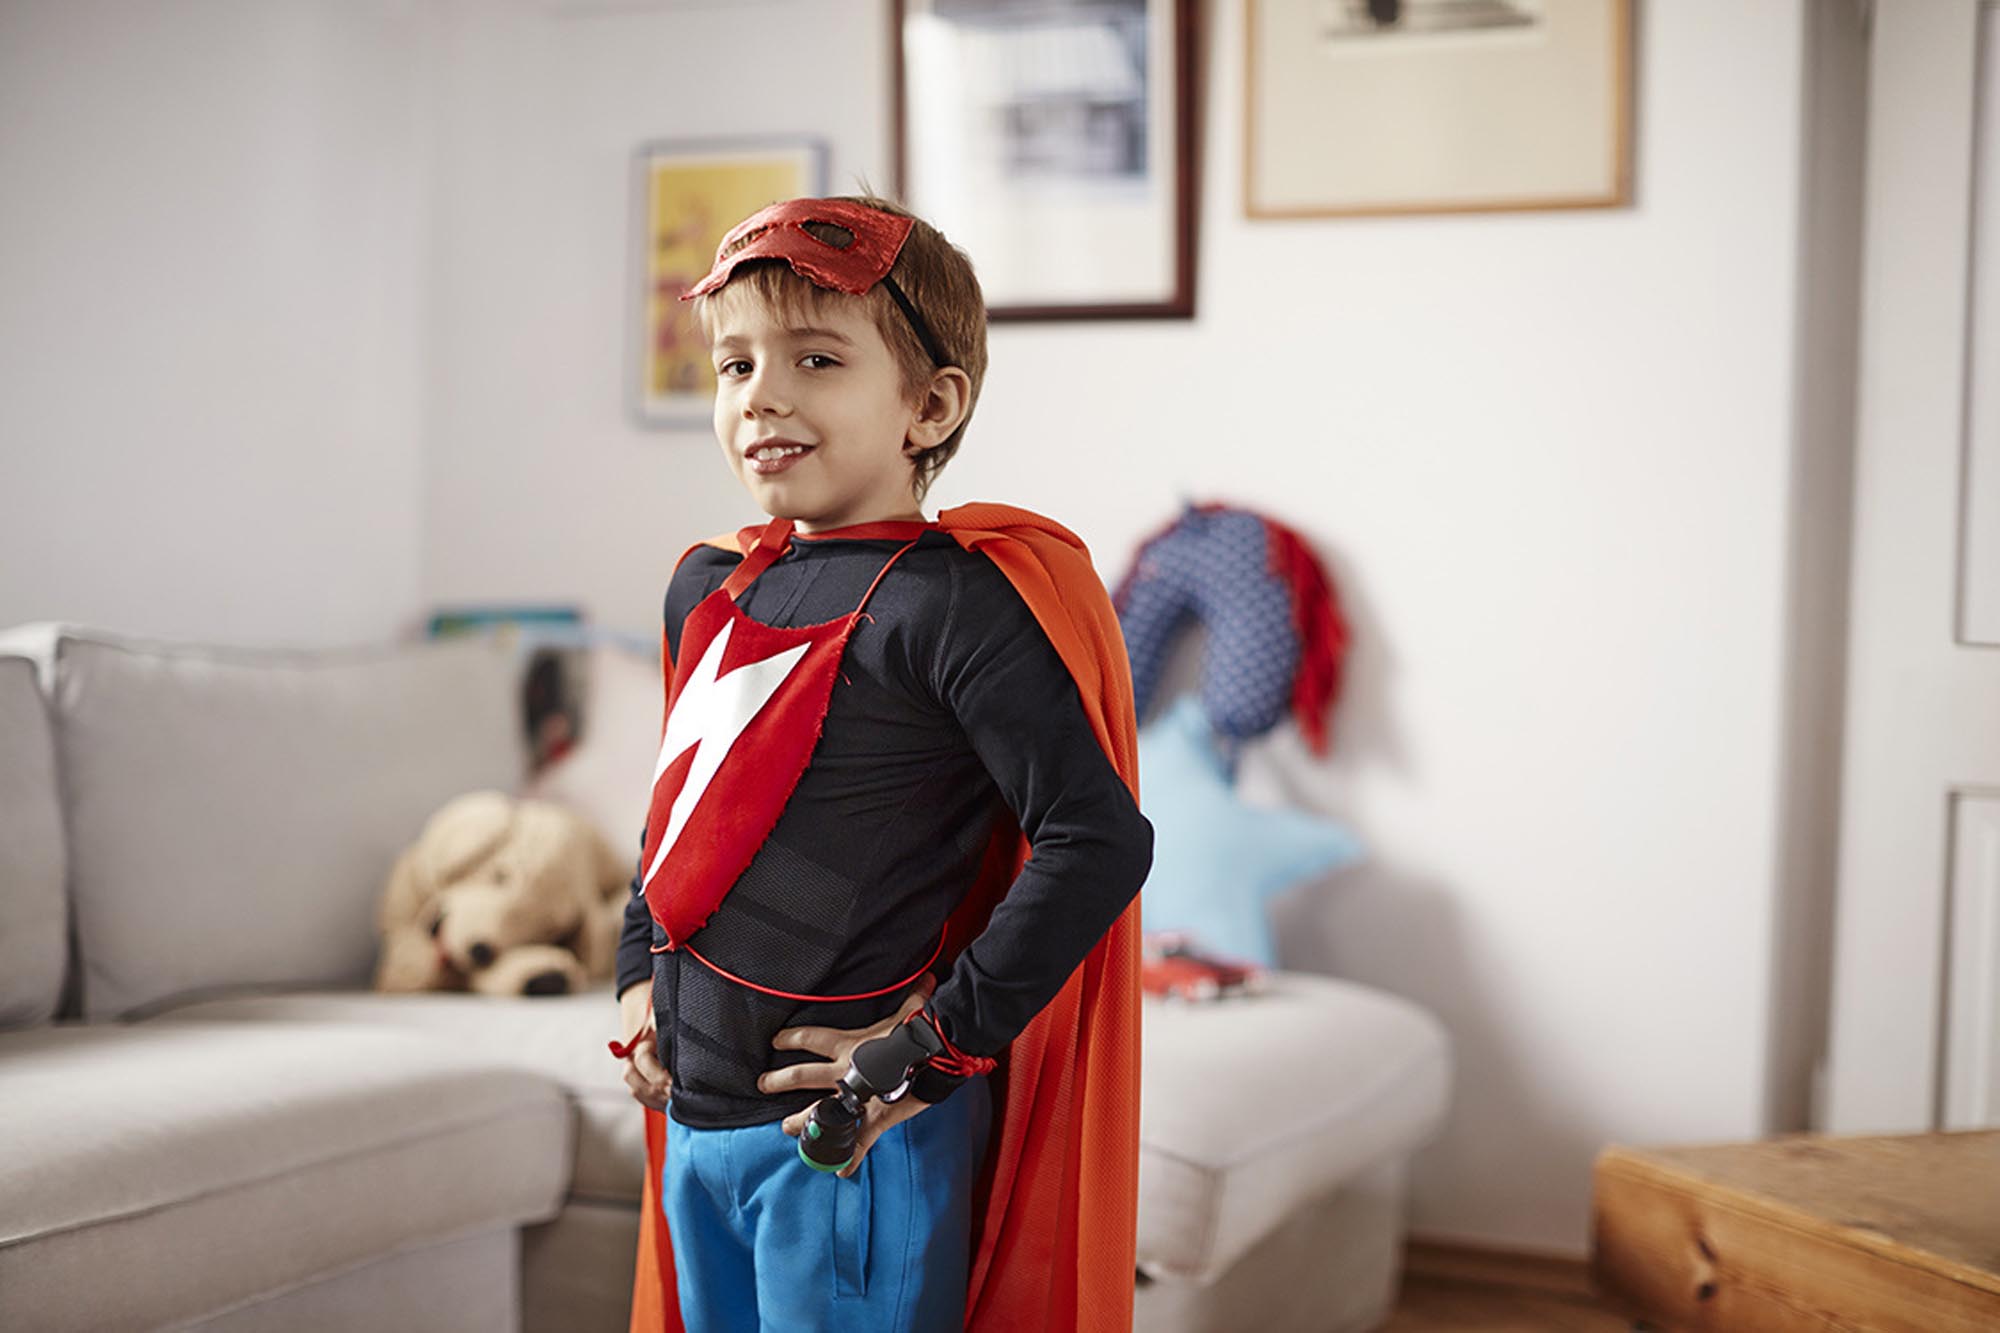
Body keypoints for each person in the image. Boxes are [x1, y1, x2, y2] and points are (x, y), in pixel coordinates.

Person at [609, 194, 1153, 1333]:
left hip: (847, 1146)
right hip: (696, 1130)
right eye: (735, 363)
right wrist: (634, 986)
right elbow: (682, 821)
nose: (762, 394)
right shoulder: (709, 586)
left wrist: (928, 1047)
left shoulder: (956, 600)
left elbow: (1096, 839)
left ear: (929, 404)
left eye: (815, 358)